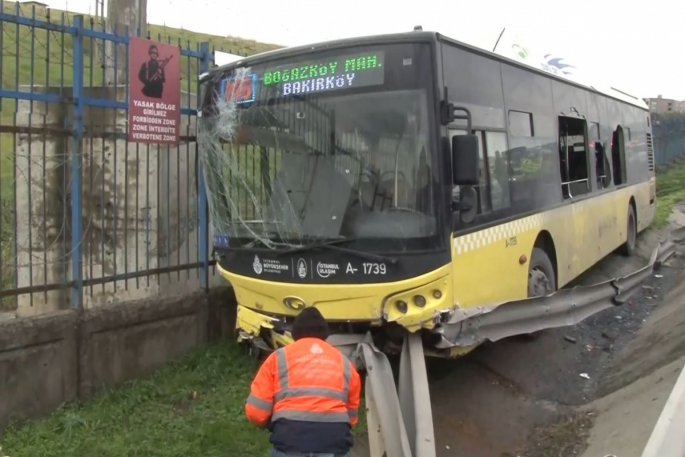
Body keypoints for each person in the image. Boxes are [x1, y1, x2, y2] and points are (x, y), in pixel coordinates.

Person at [245, 307, 361, 457]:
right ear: (325, 335)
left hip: (290, 440)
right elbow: (351, 417)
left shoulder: (278, 358)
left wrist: (273, 423)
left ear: (295, 333)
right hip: (333, 441)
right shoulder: (344, 363)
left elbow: (256, 412)